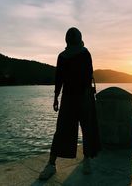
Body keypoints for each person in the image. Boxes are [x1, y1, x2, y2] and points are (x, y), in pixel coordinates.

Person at [39, 27, 100, 180]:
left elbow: (84, 77)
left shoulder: (81, 54)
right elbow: (60, 78)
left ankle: (82, 160)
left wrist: (56, 97)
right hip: (72, 98)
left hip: (80, 97)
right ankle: (53, 164)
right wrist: (56, 97)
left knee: (77, 130)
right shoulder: (66, 56)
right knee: (67, 130)